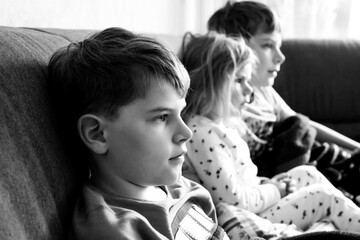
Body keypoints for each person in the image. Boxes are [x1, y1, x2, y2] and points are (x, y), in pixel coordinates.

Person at [47, 27, 232, 240]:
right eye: (162, 117)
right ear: (97, 134)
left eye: (181, 113)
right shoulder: (112, 230)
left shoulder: (183, 187)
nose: (186, 132)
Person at [179, 31, 360, 238]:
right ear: (208, 84)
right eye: (239, 80)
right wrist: (275, 190)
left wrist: (267, 184)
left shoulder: (217, 126)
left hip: (257, 201)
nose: (249, 90)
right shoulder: (202, 134)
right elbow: (232, 200)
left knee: (306, 173)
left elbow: (241, 181)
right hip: (247, 215)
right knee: (324, 198)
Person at [207, 1, 360, 196]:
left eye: (278, 46)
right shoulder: (220, 107)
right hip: (282, 179)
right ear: (235, 48)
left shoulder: (264, 92)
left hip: (317, 159)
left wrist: (355, 146)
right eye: (268, 45)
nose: (281, 57)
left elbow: (304, 126)